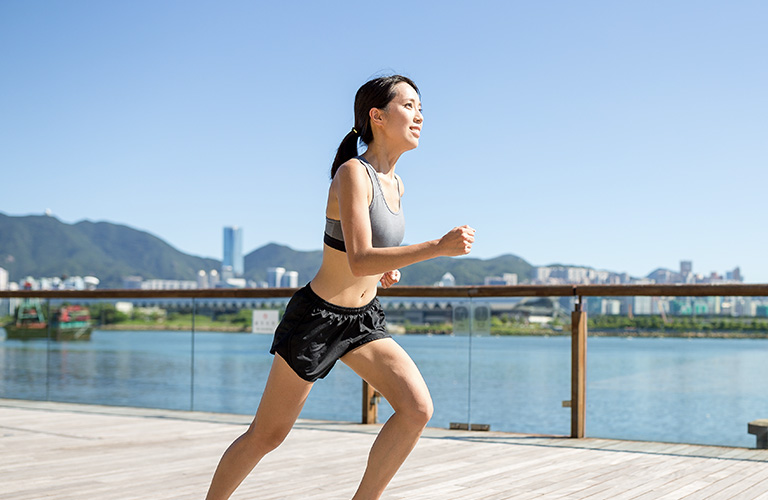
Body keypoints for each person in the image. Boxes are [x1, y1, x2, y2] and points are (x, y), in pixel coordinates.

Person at [205, 74, 475, 500]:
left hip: (363, 321)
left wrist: (386, 273)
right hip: (317, 318)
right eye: (408, 106)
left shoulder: (398, 184)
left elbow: (369, 259)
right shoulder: (354, 173)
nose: (419, 116)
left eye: (420, 108)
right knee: (267, 435)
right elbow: (359, 257)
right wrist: (437, 247)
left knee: (417, 409)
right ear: (377, 116)